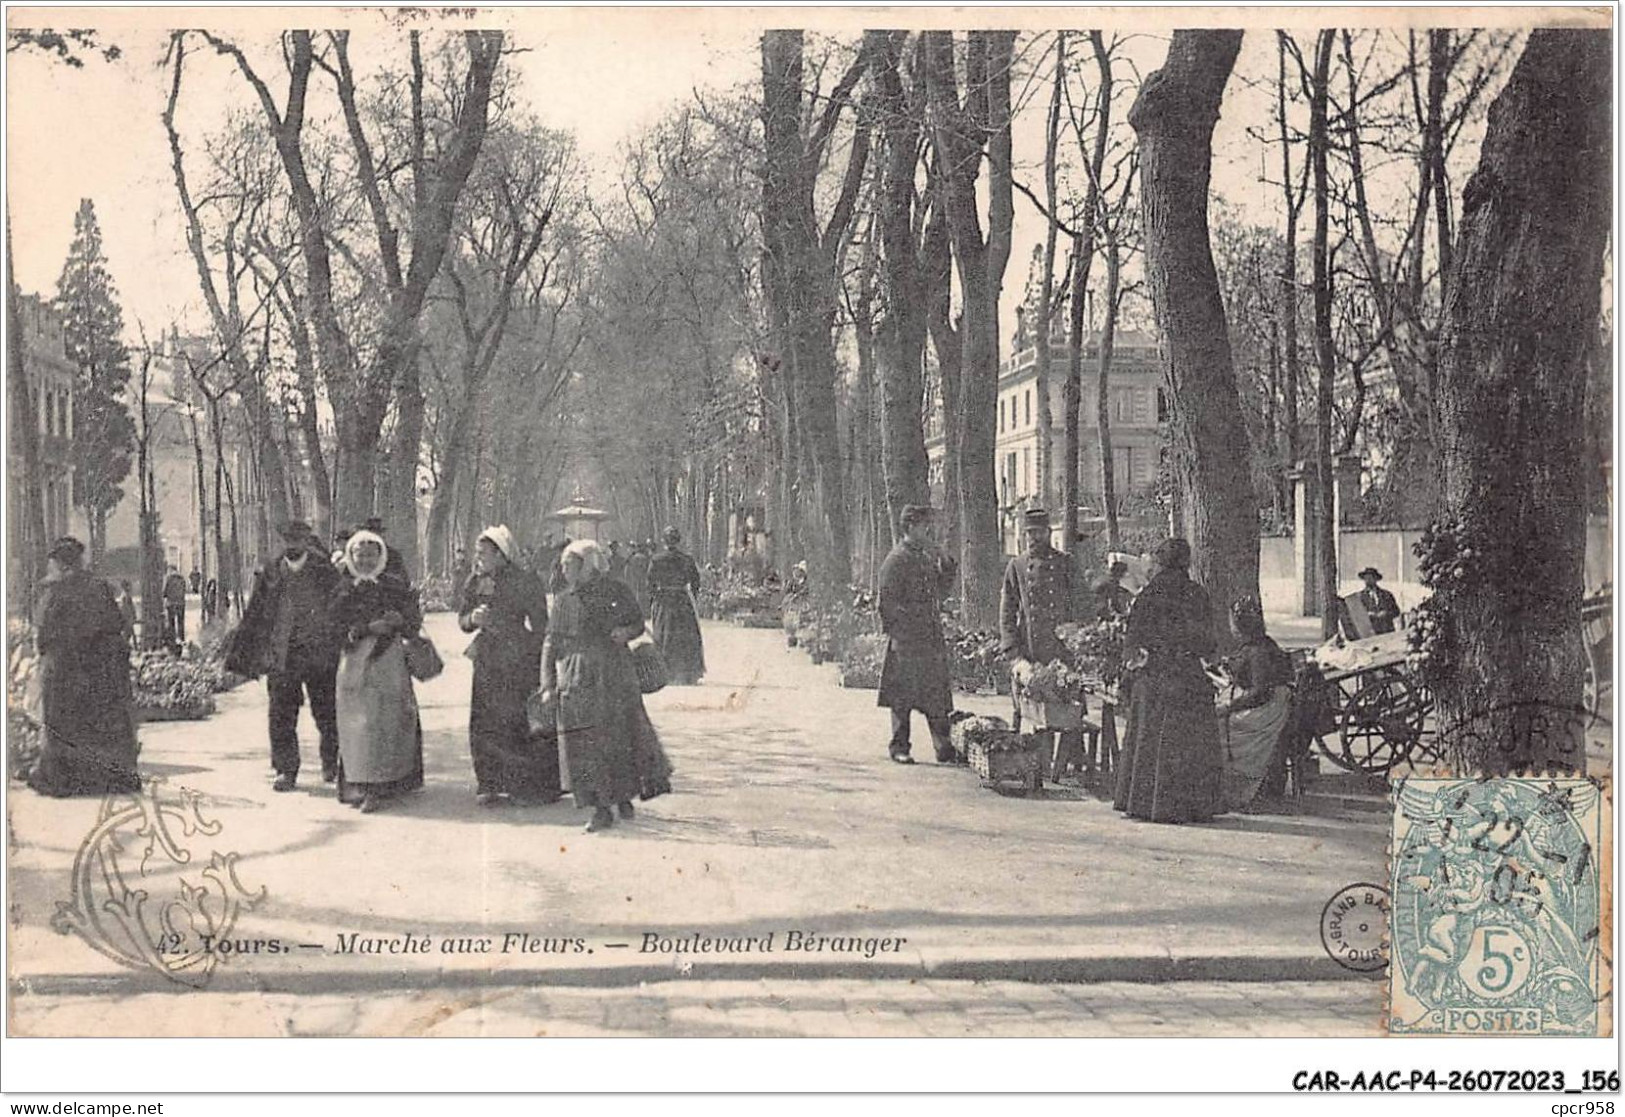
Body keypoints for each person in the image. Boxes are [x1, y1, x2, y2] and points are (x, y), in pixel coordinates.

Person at [540, 540, 673, 833]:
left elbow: (638, 623)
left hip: (615, 673)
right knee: (585, 743)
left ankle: (622, 794)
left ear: (587, 565)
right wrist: (548, 683)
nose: (564, 569)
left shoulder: (616, 590)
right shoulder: (563, 600)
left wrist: (625, 632)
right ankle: (600, 807)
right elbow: (551, 642)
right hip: (577, 676)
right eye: (563, 565)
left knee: (620, 736)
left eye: (570, 564)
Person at [1113, 537, 1224, 824]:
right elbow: (1206, 641)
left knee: (1149, 738)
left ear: (1161, 562)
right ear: (1186, 562)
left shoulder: (1149, 594)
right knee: (1189, 742)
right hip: (1186, 677)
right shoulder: (1197, 594)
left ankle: (1144, 803)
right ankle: (1191, 806)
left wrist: (1138, 665)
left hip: (1154, 678)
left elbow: (1133, 639)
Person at [228, 520, 344, 792]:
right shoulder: (271, 570)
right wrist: (245, 650)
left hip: (318, 654)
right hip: (282, 654)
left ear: (306, 541)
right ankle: (286, 769)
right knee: (281, 713)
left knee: (326, 712)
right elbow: (256, 611)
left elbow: (341, 605)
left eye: (298, 540)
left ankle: (331, 762)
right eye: (287, 540)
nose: (292, 545)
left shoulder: (323, 569)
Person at [26, 537, 141, 797]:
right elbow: (116, 624)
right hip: (99, 670)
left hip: (65, 671)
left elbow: (43, 633)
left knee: (63, 722)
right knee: (98, 722)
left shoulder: (53, 591)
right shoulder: (99, 587)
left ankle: (62, 777)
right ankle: (105, 776)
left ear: (59, 563)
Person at [459, 524, 559, 806]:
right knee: (484, 720)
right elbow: (463, 619)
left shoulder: (526, 580)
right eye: (477, 553)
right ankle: (488, 782)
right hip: (487, 658)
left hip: (518, 660)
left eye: (484, 553)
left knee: (515, 720)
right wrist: (473, 619)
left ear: (501, 554)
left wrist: (529, 650)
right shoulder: (475, 581)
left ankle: (521, 785)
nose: (478, 558)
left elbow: (540, 625)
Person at [331, 530, 424, 813]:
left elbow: (413, 621)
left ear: (381, 556)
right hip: (355, 662)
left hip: (389, 659)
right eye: (360, 555)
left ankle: (389, 782)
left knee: (390, 720)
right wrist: (365, 629)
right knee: (358, 725)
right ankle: (361, 784)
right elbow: (331, 627)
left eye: (372, 555)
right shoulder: (343, 589)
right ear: (351, 556)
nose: (366, 560)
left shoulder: (394, 585)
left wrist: (401, 620)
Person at [999, 507, 1089, 768]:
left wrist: (1078, 635)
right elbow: (1007, 612)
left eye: (1038, 532)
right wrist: (1013, 653)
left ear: (1049, 533)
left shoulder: (1065, 563)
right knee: (1037, 706)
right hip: (1032, 650)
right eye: (1029, 534)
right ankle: (1041, 756)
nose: (1033, 538)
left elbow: (1083, 602)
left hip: (1062, 650)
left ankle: (1073, 752)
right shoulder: (1016, 566)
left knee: (1068, 704)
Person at [876, 505, 958, 764]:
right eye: (924, 526)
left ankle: (943, 746)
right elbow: (886, 602)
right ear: (910, 527)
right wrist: (903, 630)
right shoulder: (896, 559)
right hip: (907, 639)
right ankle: (900, 746)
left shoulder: (924, 557)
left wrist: (946, 566)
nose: (928, 530)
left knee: (936, 693)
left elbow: (939, 592)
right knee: (902, 696)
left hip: (929, 636)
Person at [1217, 596, 1296, 811]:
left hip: (1269, 708)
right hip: (1267, 700)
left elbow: (1260, 692)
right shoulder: (1260, 643)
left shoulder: (1258, 652)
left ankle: (1236, 789)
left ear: (1241, 627)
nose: (1231, 627)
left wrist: (1228, 708)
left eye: (1233, 623)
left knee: (1220, 726)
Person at [648, 526, 705, 685]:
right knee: (686, 636)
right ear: (678, 540)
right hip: (682, 600)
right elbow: (695, 582)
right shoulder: (687, 560)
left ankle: (666, 672)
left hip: (664, 600)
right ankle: (687, 673)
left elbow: (650, 582)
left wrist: (655, 598)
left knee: (664, 634)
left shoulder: (657, 559)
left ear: (663, 541)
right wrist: (692, 596)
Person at [1342, 566, 1401, 638]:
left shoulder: (1386, 595)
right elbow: (1355, 616)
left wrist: (1385, 613)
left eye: (1371, 577)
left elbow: (1396, 611)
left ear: (1376, 579)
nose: (1368, 580)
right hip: (1368, 633)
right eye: (1366, 578)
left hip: (1386, 632)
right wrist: (1367, 615)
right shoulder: (1359, 597)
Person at [162, 565, 188, 648]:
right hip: (181, 603)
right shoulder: (181, 578)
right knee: (181, 622)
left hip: (171, 603)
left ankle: (172, 640)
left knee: (171, 622)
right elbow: (184, 589)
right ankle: (181, 638)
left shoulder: (168, 578)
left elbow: (164, 592)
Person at [625, 542, 652, 616]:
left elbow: (629, 570)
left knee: (636, 594)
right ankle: (644, 612)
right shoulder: (644, 557)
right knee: (643, 595)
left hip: (635, 578)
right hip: (642, 578)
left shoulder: (633, 558)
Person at [116, 580, 137, 648]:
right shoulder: (126, 595)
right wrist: (133, 615)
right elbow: (128, 606)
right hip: (127, 616)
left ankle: (131, 646)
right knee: (129, 633)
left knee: (129, 633)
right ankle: (131, 646)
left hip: (126, 616)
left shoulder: (124, 595)